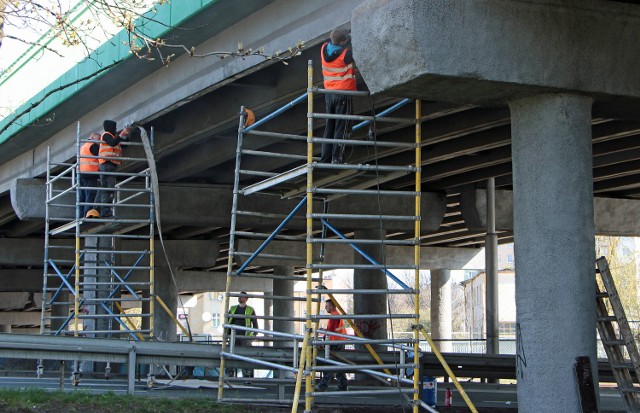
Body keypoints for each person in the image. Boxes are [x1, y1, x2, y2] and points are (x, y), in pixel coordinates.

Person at [320, 27, 357, 164]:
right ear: (343, 42)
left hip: (329, 94)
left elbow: (336, 43)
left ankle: (325, 158)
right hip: (343, 94)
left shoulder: (323, 49)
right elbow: (357, 55)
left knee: (330, 126)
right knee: (342, 126)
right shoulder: (346, 54)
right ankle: (337, 158)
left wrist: (344, 34)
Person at [95, 120, 131, 218]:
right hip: (106, 164)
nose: (115, 129)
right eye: (114, 128)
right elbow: (112, 143)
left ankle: (97, 210)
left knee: (107, 188)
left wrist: (126, 136)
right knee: (107, 189)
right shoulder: (106, 135)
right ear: (110, 127)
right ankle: (105, 212)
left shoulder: (112, 137)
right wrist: (122, 134)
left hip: (111, 165)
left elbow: (124, 145)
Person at [317, 298, 348, 391]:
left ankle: (323, 385)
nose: (325, 308)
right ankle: (343, 385)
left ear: (331, 306)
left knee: (330, 364)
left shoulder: (334, 316)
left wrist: (321, 331)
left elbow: (330, 331)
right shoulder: (336, 316)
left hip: (335, 343)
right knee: (338, 365)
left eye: (326, 306)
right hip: (339, 342)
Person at [227, 291, 259, 379]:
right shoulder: (233, 308)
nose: (240, 298)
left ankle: (247, 376)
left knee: (246, 356)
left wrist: (253, 336)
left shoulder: (250, 310)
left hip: (245, 337)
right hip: (233, 336)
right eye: (239, 296)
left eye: (242, 297)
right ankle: (230, 374)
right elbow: (228, 322)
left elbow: (255, 325)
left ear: (246, 299)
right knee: (230, 355)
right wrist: (227, 335)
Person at [78, 132, 100, 218]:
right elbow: (101, 158)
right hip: (91, 174)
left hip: (82, 173)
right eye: (99, 139)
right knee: (90, 195)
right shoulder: (93, 145)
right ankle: (88, 215)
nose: (99, 142)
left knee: (82, 197)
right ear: (93, 137)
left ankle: (80, 216)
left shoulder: (83, 147)